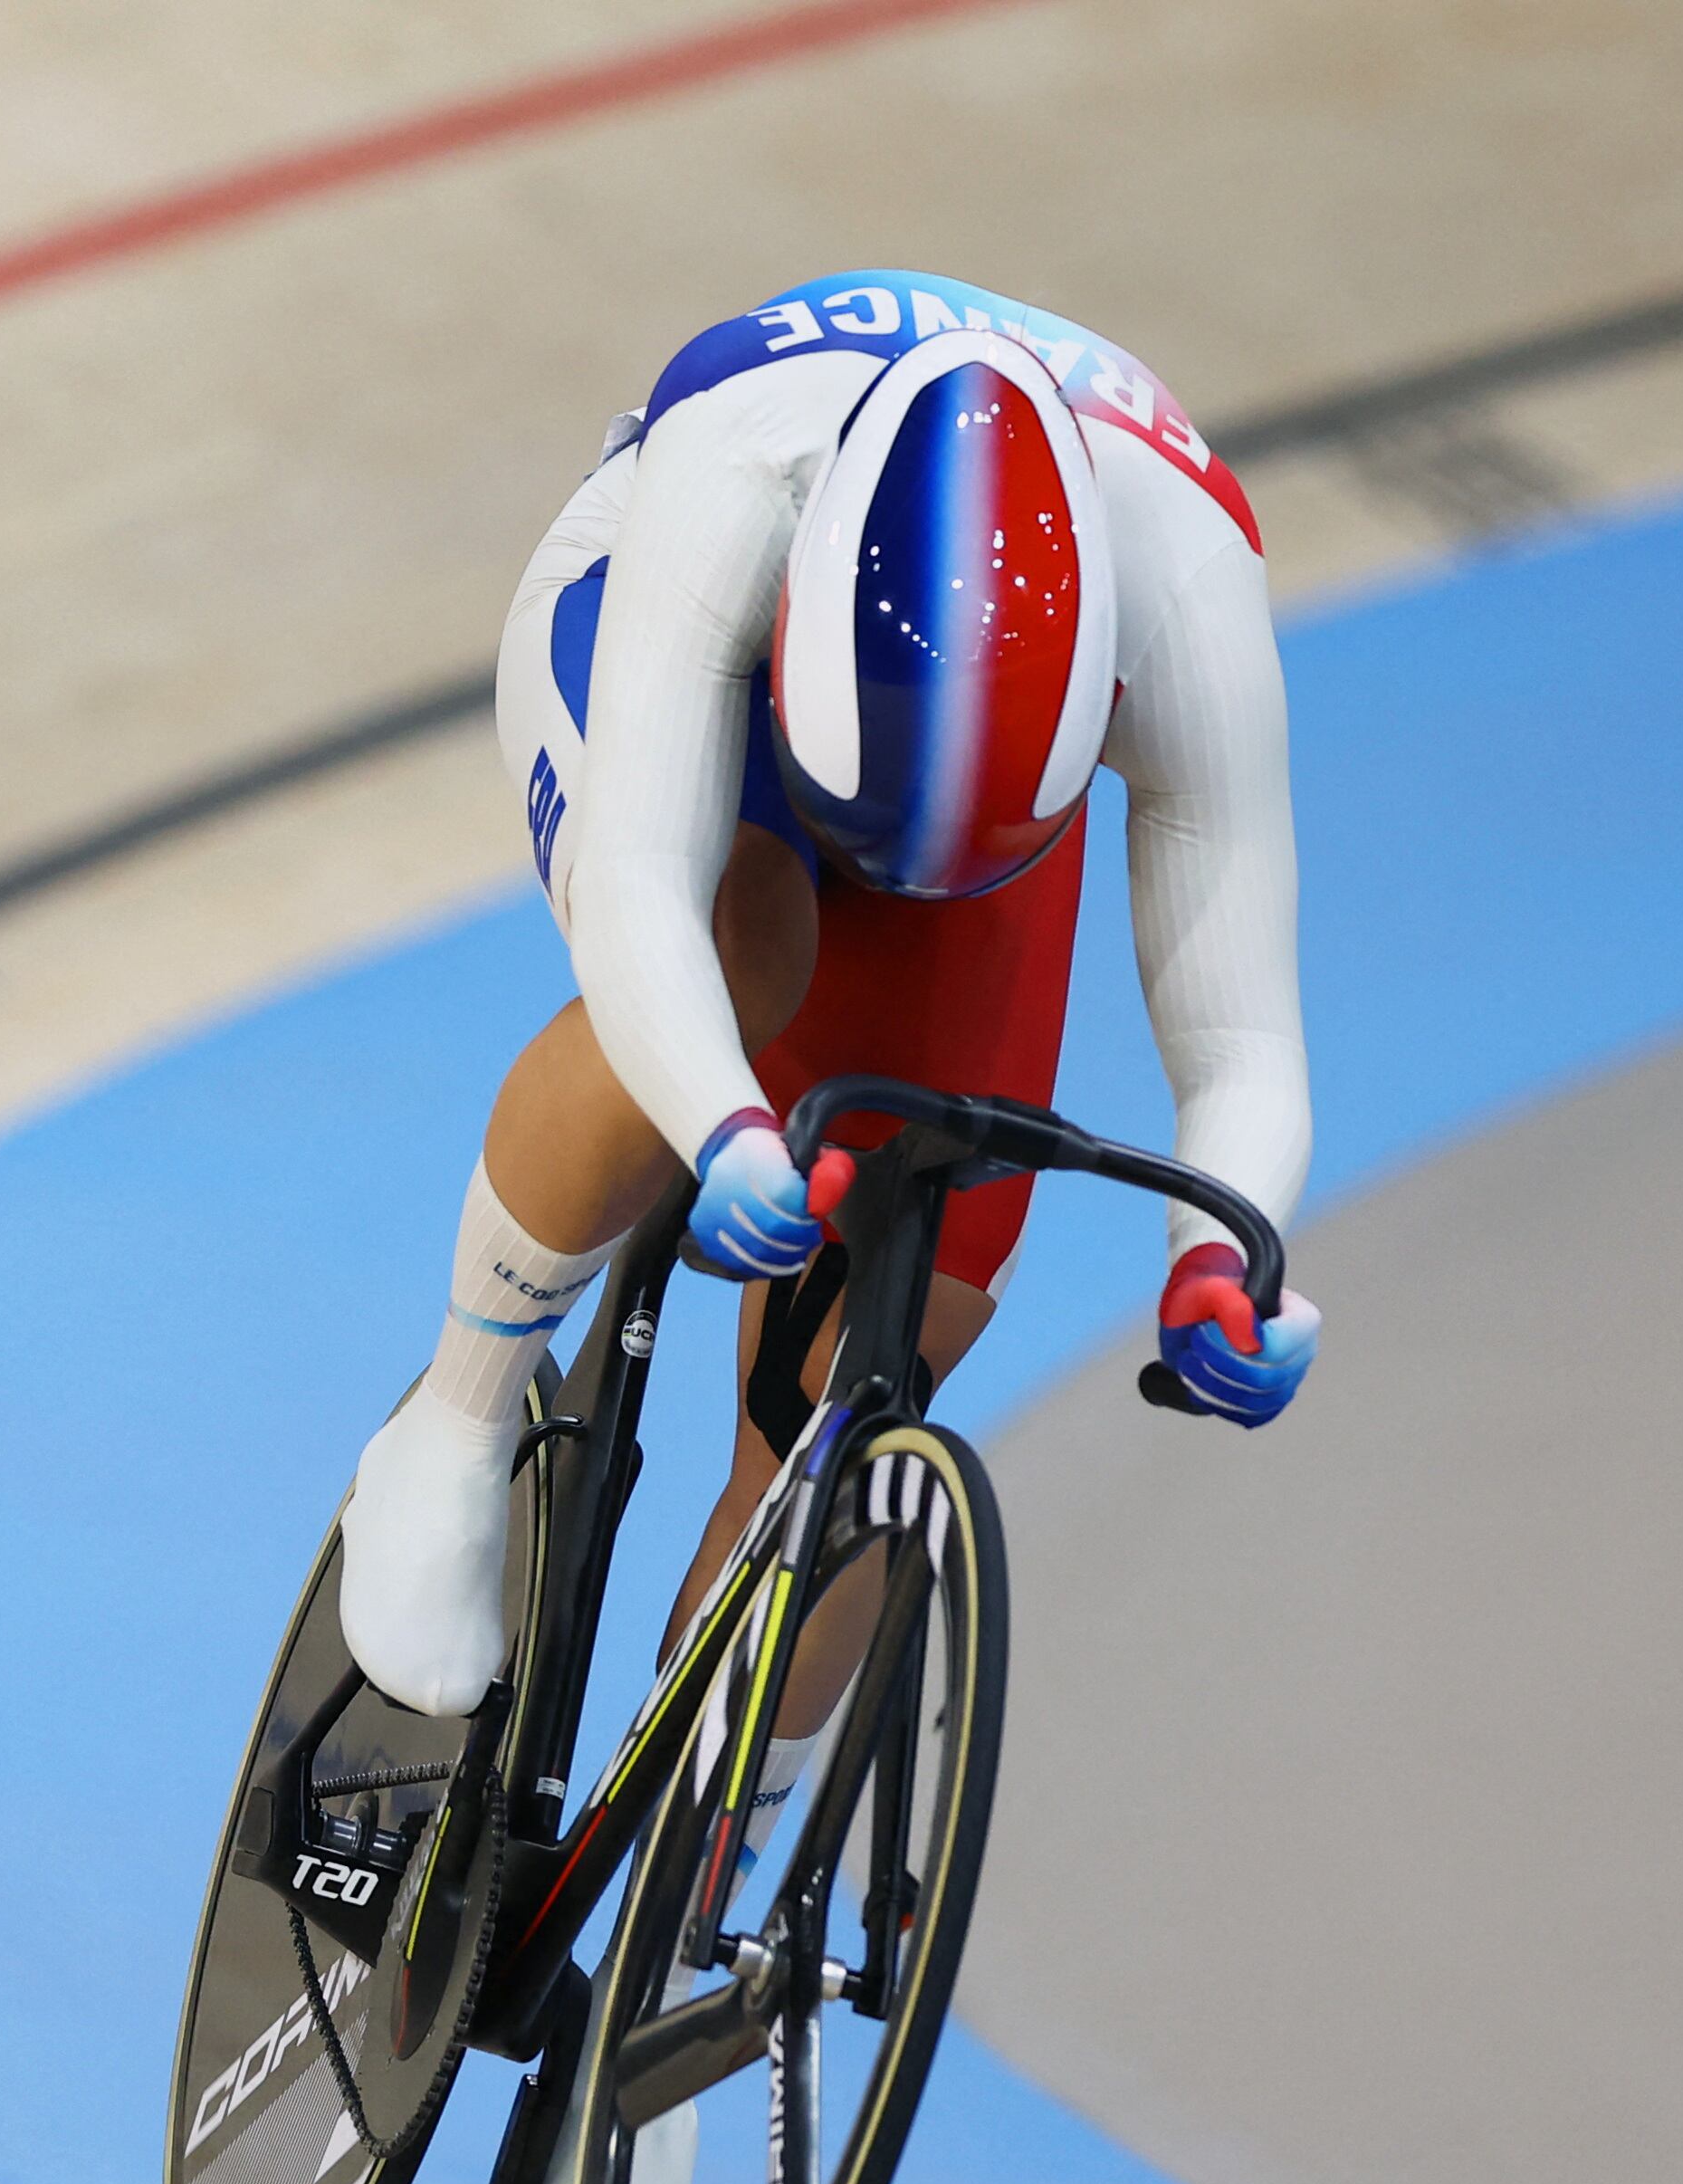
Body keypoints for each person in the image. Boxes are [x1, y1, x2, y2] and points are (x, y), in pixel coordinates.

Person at [343, 275, 1323, 1774]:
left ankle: (697, 1864)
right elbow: (635, 895)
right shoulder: (739, 469)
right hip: (667, 633)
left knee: (893, 1339)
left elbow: (1242, 1040)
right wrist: (722, 1126)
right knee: (745, 944)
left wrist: (1224, 1256)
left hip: (980, 773)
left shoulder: (1188, 592)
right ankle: (456, 1422)